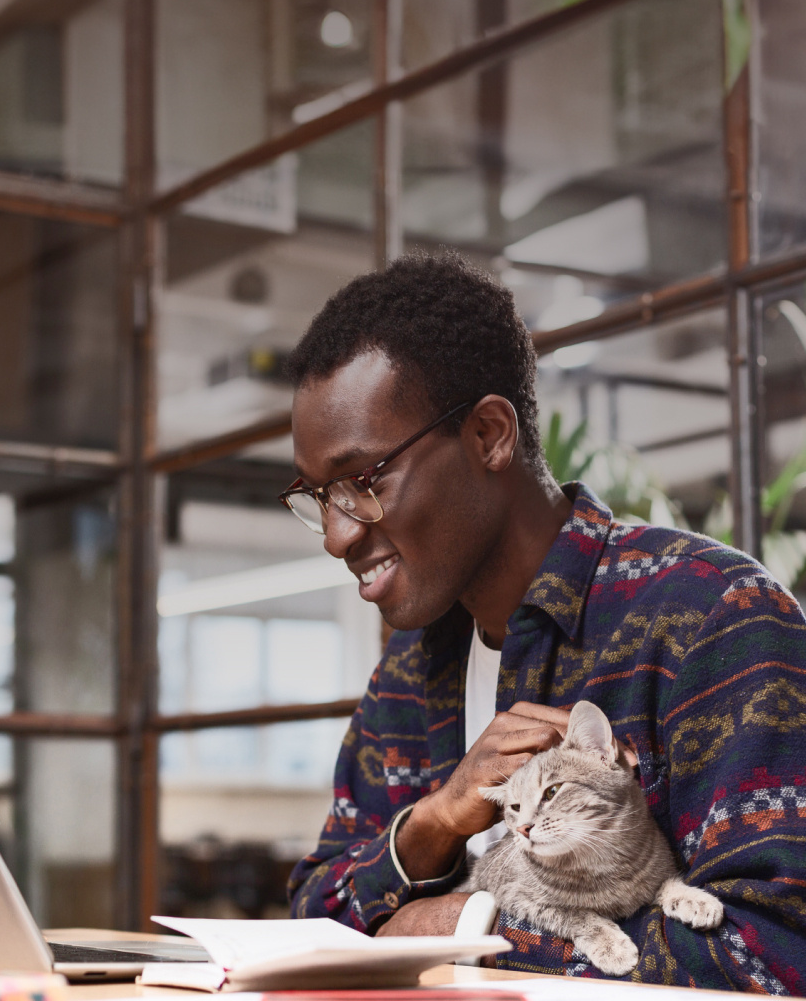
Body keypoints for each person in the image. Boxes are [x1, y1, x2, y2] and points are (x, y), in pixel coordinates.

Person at [284, 253, 806, 992]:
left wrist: (468, 926)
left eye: (361, 482)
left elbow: (778, 951)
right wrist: (433, 822)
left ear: (490, 434)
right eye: (317, 496)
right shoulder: (408, 671)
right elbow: (315, 911)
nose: (338, 535)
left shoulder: (711, 617)